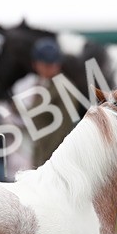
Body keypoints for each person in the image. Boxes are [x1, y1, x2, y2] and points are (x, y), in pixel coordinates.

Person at [29, 37, 74, 167]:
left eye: (52, 64)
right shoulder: (43, 85)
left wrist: (49, 162)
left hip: (54, 159)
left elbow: (63, 128)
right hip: (42, 152)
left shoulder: (63, 88)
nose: (51, 68)